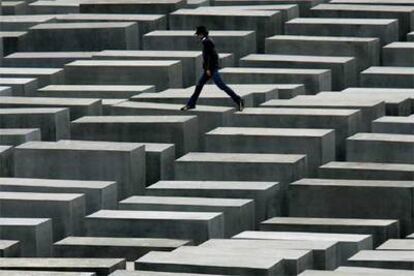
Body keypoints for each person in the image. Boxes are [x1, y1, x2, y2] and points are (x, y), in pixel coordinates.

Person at [180, 26, 244, 111]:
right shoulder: (207, 40)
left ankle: (238, 100)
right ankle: (191, 104)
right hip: (210, 68)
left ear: (201, 34)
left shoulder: (207, 42)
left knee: (221, 85)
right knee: (199, 85)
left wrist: (208, 69)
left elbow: (210, 56)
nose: (197, 36)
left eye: (198, 34)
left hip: (211, 69)